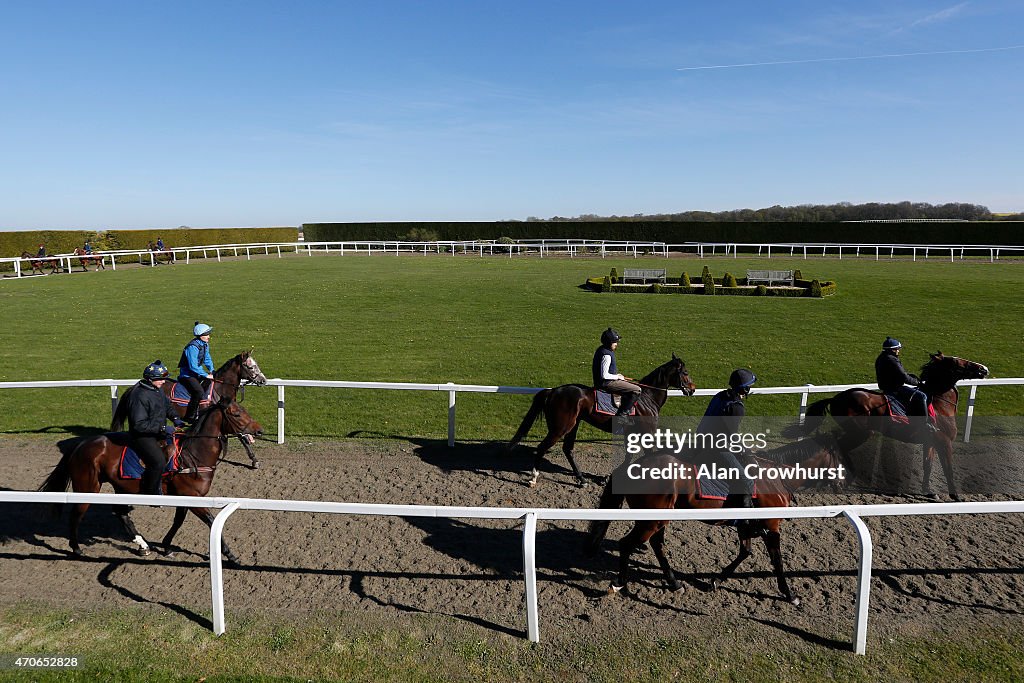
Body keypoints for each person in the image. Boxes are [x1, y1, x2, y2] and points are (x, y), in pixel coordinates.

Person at [697, 368, 757, 510]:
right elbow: (732, 436)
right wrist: (745, 450)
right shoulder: (737, 407)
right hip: (716, 449)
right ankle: (745, 521)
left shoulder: (720, 395)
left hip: (701, 441)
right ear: (745, 389)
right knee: (748, 482)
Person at [127, 361, 184, 495]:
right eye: (160, 379)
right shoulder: (139, 396)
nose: (164, 382)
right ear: (150, 379)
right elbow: (139, 425)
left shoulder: (156, 389)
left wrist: (176, 419)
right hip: (142, 436)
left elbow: (167, 406)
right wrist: (162, 428)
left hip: (157, 431)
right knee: (158, 462)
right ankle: (150, 492)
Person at [875, 336, 935, 431]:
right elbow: (904, 377)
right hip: (895, 388)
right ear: (893, 350)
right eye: (897, 349)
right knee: (922, 396)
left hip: (886, 387)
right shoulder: (892, 359)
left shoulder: (881, 357)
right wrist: (917, 383)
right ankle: (925, 424)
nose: (899, 351)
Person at [592, 327, 641, 419]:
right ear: (609, 342)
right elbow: (604, 375)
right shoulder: (607, 355)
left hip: (605, 381)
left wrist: (617, 375)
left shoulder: (602, 349)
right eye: (615, 342)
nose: (616, 344)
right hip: (607, 383)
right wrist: (617, 377)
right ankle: (622, 415)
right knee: (637, 389)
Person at [178, 322, 215, 422]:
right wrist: (206, 375)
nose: (209, 337)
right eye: (207, 334)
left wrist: (212, 370)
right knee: (198, 391)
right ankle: (191, 416)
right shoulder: (192, 347)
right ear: (200, 335)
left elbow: (207, 358)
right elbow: (193, 366)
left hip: (196, 374)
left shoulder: (205, 344)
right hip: (187, 375)